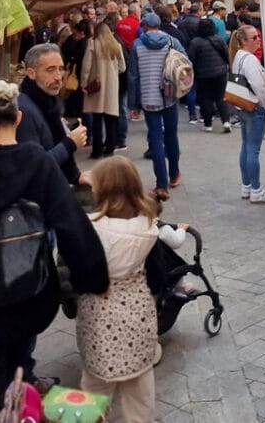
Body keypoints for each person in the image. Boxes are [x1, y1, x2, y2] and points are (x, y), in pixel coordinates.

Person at [0, 81, 109, 418]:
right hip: (32, 292)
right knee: (18, 362)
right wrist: (93, 277)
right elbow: (72, 223)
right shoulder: (38, 162)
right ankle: (21, 400)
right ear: (17, 118)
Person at [76, 156, 185, 423]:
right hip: (137, 317)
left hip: (98, 319)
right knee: (140, 394)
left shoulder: (88, 229)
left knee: (93, 389)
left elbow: (79, 276)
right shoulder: (148, 229)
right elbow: (158, 279)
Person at [127, 13, 188, 201]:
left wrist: (133, 104)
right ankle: (175, 174)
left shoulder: (137, 45)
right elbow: (186, 63)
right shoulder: (172, 41)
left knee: (155, 139)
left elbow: (133, 77)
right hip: (169, 96)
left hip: (148, 97)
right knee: (171, 134)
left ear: (145, 26)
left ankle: (161, 185)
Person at [17, 43, 89, 188]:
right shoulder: (24, 110)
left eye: (61, 69)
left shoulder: (47, 102)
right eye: (50, 70)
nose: (58, 77)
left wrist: (76, 176)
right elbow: (34, 168)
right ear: (31, 73)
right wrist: (70, 143)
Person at [230, 24, 265, 203]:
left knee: (246, 146)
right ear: (243, 41)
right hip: (254, 106)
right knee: (253, 149)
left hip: (242, 105)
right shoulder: (249, 60)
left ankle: (247, 185)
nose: (258, 40)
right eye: (254, 38)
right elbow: (258, 85)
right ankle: (256, 189)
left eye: (258, 36)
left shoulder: (239, 57)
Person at [82, 22, 125, 159]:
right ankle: (110, 148)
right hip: (111, 86)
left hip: (97, 85)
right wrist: (113, 72)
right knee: (110, 119)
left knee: (97, 119)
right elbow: (122, 67)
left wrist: (84, 82)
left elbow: (86, 66)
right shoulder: (116, 45)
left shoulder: (93, 44)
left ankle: (97, 150)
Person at [188, 17, 233, 133]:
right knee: (221, 97)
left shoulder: (195, 42)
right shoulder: (219, 39)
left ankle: (208, 124)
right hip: (220, 72)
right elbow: (226, 54)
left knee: (206, 98)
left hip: (203, 74)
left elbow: (191, 58)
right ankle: (226, 121)